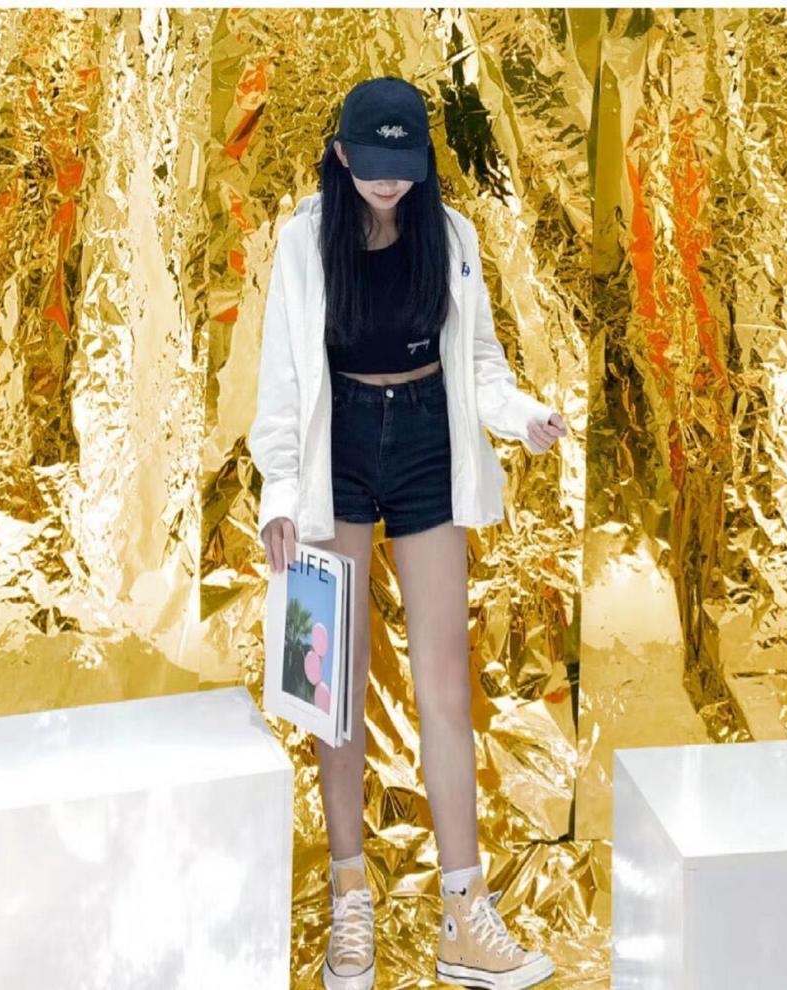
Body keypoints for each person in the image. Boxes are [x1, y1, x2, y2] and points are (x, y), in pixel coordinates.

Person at [249, 75, 567, 990]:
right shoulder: (304, 239)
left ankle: (465, 912)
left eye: (404, 165)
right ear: (340, 155)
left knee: (445, 688)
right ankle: (351, 897)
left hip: (429, 438)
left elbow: (480, 362)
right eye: (370, 163)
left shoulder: (450, 234)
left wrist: (522, 415)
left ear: (423, 161)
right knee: (331, 685)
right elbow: (283, 380)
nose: (388, 181)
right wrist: (280, 492)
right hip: (336, 450)